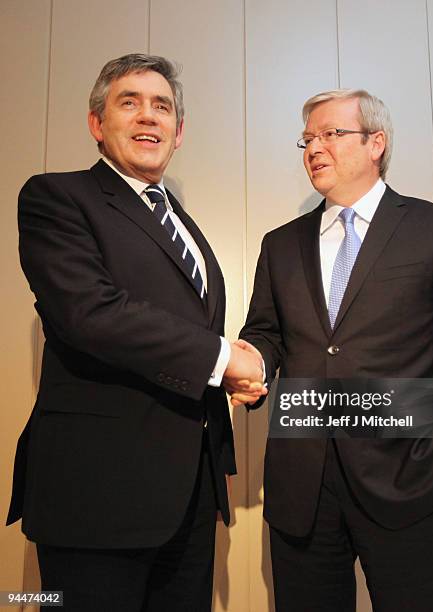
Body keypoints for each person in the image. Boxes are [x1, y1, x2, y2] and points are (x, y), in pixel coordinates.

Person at [230, 89, 433, 611]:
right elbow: (266, 334)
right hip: (302, 489)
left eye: (331, 134)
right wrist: (251, 366)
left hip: (411, 480)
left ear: (376, 142)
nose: (314, 148)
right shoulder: (280, 244)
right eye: (307, 138)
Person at [7, 53, 263, 612]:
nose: (149, 117)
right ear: (97, 124)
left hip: (190, 496)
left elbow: (179, 335)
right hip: (96, 495)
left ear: (179, 132)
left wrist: (223, 378)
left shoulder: (180, 221)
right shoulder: (56, 197)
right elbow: (90, 313)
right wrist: (221, 359)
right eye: (130, 103)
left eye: (162, 107)